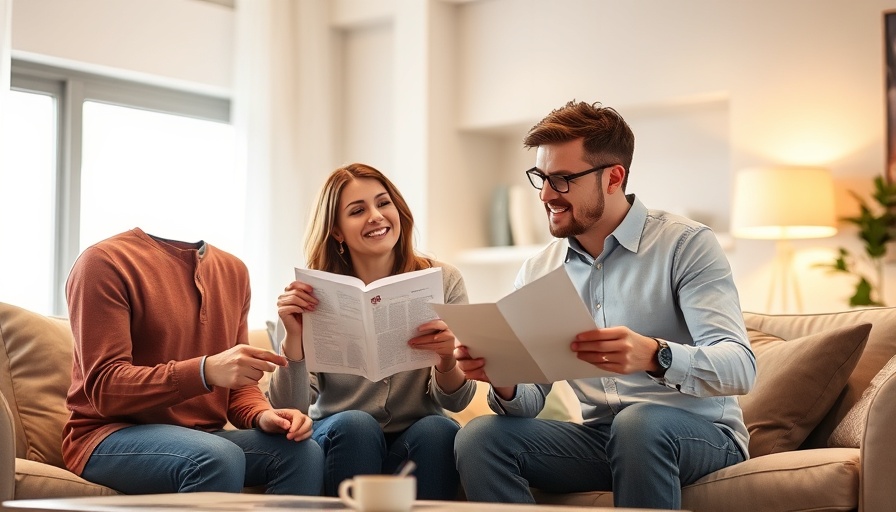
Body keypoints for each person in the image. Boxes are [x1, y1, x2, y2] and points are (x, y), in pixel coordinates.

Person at [453, 100, 756, 510]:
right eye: (540, 178)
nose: (545, 195)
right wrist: (502, 378)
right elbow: (529, 400)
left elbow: (740, 367)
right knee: (481, 438)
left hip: (701, 436)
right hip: (602, 439)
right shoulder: (539, 270)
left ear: (613, 177)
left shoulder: (685, 245)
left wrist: (655, 354)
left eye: (562, 180)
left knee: (638, 424)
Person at [268, 163, 477, 499]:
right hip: (340, 437)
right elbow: (288, 406)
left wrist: (446, 360)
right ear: (336, 231)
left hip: (416, 438)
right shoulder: (309, 293)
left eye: (383, 203)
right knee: (356, 425)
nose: (376, 216)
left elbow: (457, 401)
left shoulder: (444, 280)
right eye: (357, 210)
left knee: (440, 429)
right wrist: (294, 339)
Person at [63, 228, 324, 495]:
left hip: (204, 436)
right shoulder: (103, 261)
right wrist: (205, 370)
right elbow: (105, 388)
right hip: (108, 437)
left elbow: (238, 383)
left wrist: (263, 414)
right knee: (217, 457)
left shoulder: (234, 271)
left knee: (302, 452)